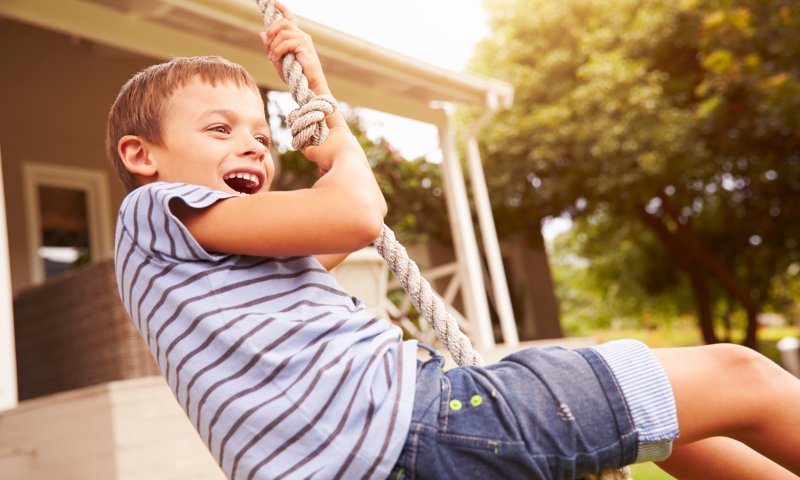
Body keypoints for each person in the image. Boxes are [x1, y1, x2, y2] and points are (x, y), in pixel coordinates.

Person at [107, 2, 800, 479]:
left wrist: (316, 94)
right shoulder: (158, 210)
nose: (256, 147)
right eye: (221, 130)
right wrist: (337, 130)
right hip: (417, 430)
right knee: (740, 378)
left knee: (669, 422)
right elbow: (356, 213)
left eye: (263, 133)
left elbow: (331, 230)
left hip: (384, 453)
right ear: (142, 155)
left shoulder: (214, 271)